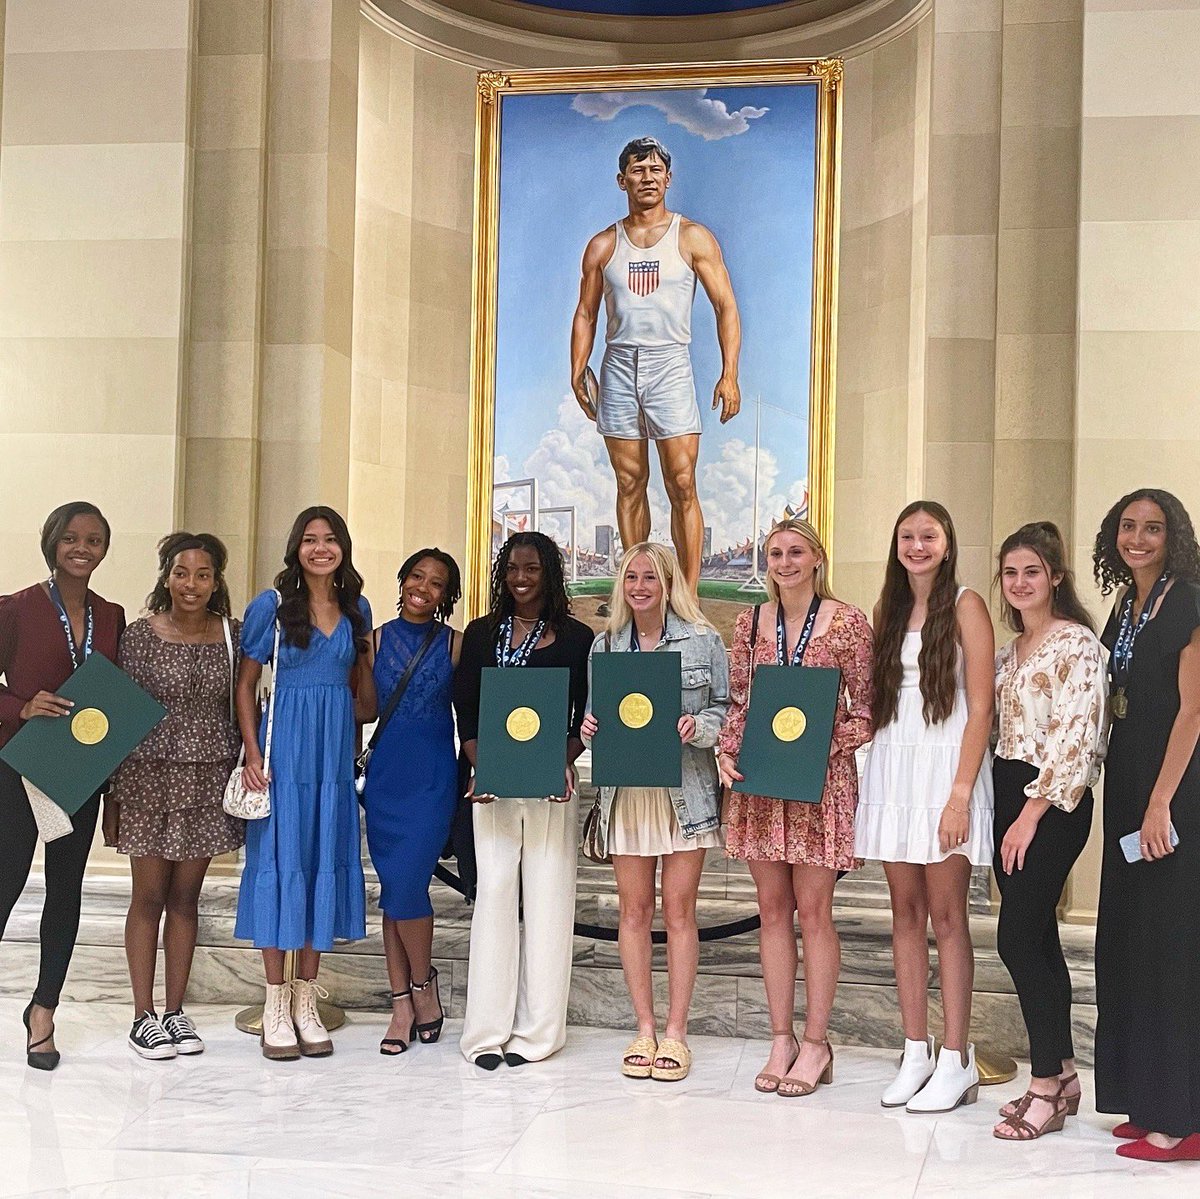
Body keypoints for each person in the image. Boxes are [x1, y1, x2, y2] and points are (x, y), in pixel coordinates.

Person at [718, 518, 874, 1097]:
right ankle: (780, 1037)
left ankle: (816, 1042)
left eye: (795, 552)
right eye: (775, 553)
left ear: (817, 558)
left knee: (815, 911)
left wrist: (816, 748)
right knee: (771, 908)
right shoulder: (748, 623)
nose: (785, 562)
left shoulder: (848, 623)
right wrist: (728, 754)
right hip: (760, 782)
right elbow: (739, 702)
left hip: (820, 783)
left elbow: (866, 709)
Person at [855, 500, 994, 1113]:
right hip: (894, 766)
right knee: (903, 914)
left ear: (947, 541)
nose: (917, 545)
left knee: (948, 917)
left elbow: (982, 706)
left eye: (928, 535)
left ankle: (957, 1058)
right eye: (907, 535)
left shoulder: (966, 604)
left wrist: (960, 794)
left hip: (945, 770)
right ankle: (915, 1048)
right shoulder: (887, 607)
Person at [581, 542, 729, 1082]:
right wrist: (588, 729)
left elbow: (725, 708)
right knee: (634, 912)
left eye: (650, 577)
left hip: (684, 789)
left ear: (669, 584)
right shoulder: (606, 646)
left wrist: (701, 728)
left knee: (680, 912)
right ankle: (643, 1028)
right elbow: (597, 716)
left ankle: (676, 1033)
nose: (639, 586)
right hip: (627, 793)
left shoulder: (704, 640)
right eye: (631, 577)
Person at [234, 506, 375, 1061]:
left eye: (331, 539)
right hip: (283, 751)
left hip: (333, 755)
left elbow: (361, 687)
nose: (321, 548)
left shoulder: (356, 608)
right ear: (296, 548)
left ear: (343, 547)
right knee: (278, 860)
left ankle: (305, 999)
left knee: (320, 860)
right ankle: (273, 1001)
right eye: (311, 540)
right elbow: (245, 686)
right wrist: (251, 752)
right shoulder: (268, 607)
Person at [571, 135, 742, 590]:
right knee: (629, 482)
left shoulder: (692, 237)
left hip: (670, 361)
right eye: (637, 170)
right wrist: (577, 368)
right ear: (621, 179)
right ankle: (638, 592)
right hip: (620, 362)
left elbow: (725, 304)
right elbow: (586, 312)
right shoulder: (604, 245)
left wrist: (729, 374)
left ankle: (688, 598)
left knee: (682, 481)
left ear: (668, 178)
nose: (647, 178)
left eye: (655, 170)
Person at [455, 531, 593, 1069]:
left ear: (549, 573)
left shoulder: (578, 638)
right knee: (492, 897)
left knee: (548, 900)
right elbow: (466, 710)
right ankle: (486, 1032)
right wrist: (480, 763)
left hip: (551, 789)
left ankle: (538, 1034)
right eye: (512, 568)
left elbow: (587, 714)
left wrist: (564, 760)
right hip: (489, 787)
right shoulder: (482, 633)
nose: (520, 578)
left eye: (532, 569)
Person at [107, 533, 246, 1060]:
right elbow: (119, 718)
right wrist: (113, 799)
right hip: (145, 779)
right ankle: (143, 1015)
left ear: (217, 582)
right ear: (167, 576)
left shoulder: (233, 636)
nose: (192, 584)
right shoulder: (139, 636)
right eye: (182, 573)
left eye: (203, 575)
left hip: (207, 780)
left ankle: (176, 1012)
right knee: (147, 897)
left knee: (186, 899)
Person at [1092, 489, 1200, 1162]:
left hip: (1175, 790)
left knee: (1170, 949)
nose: (1139, 537)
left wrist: (1162, 800)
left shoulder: (1188, 598)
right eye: (1129, 526)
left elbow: (1193, 712)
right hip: (1128, 788)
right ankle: (1143, 1096)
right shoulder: (1128, 604)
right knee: (1128, 940)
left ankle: (1181, 1120)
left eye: (1152, 528)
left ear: (1174, 536)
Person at [990, 522, 1106, 1140]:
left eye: (1031, 571)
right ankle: (1061, 1077)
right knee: (1039, 939)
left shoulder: (1077, 644)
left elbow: (1077, 740)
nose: (1019, 582)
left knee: (1015, 938)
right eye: (1010, 573)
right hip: (1008, 793)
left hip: (1053, 802)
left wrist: (1030, 815)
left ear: (1055, 577)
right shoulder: (1010, 654)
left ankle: (1040, 1084)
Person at [0, 501, 125, 1070]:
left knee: (65, 890)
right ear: (52, 543)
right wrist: (19, 705)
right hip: (19, 767)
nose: (82, 547)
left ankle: (44, 1009)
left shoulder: (113, 614)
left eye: (94, 539)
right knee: (4, 884)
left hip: (80, 772)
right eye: (71, 538)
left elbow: (117, 701)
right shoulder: (16, 609)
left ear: (104, 547)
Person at [363, 548, 462, 1055]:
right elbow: (359, 707)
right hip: (385, 782)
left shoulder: (456, 646)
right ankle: (403, 1002)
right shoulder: (373, 640)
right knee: (393, 892)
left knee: (407, 889)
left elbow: (471, 716)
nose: (424, 587)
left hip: (432, 782)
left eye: (437, 582)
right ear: (401, 581)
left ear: (447, 595)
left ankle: (422, 988)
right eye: (416, 576)